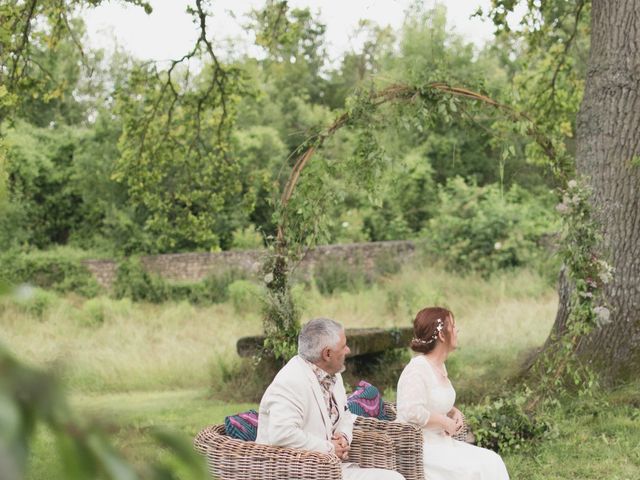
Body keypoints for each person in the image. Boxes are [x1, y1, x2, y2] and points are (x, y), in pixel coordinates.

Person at [256, 317, 405, 480]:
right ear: (327, 354)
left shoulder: (333, 374)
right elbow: (282, 433)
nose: (348, 350)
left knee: (394, 477)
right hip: (295, 472)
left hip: (329, 469)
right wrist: (328, 448)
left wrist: (343, 435)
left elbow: (345, 413)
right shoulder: (290, 382)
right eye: (343, 346)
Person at [396, 307, 510, 480]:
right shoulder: (417, 369)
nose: (457, 331)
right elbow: (411, 412)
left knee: (493, 461)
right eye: (453, 326)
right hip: (420, 448)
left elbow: (434, 400)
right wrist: (444, 421)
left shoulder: (439, 366)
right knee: (472, 471)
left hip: (442, 442)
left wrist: (453, 412)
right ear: (442, 335)